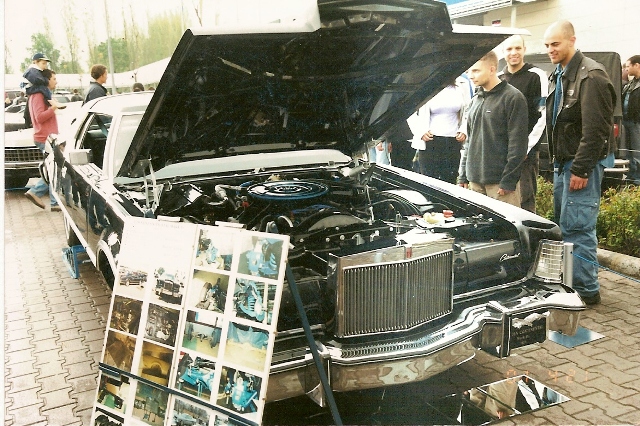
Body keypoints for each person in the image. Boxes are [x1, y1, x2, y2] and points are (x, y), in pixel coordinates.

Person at [543, 20, 616, 305]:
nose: (550, 49)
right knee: (566, 226)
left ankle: (586, 291)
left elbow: (597, 130)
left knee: (578, 227)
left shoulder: (591, 76)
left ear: (572, 40)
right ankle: (571, 284)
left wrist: (581, 169)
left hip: (581, 164)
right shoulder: (559, 74)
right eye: (547, 45)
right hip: (565, 163)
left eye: (555, 44)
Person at [457, 51, 528, 207]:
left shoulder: (513, 98)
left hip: (500, 184)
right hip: (475, 183)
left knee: (506, 224)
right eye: (469, 71)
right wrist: (463, 175)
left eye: (476, 70)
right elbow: (469, 142)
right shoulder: (475, 100)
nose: (470, 75)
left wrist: (509, 180)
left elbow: (518, 145)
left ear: (492, 69)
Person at [499, 35, 548, 213]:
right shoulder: (498, 78)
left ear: (524, 50)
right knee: (502, 203)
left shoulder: (537, 75)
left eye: (518, 48)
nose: (514, 52)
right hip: (500, 154)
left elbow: (543, 115)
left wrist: (525, 148)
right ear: (503, 52)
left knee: (525, 202)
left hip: (526, 155)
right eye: (509, 49)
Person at [408, 77, 469, 184]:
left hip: (453, 141)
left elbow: (468, 111)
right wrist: (420, 132)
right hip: (430, 141)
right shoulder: (426, 84)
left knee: (449, 182)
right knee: (430, 182)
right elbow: (409, 111)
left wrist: (464, 130)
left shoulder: (462, 84)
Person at [24, 69, 61, 212]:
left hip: (48, 137)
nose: (56, 82)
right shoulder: (38, 95)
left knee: (53, 168)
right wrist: (53, 108)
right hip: (45, 138)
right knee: (53, 169)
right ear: (46, 80)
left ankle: (46, 197)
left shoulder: (41, 94)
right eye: (54, 79)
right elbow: (39, 117)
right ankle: (48, 198)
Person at [622, 55, 640, 184]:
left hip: (636, 122)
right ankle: (632, 175)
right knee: (628, 151)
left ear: (636, 65)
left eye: (628, 66)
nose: (626, 69)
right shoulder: (631, 83)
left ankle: (638, 178)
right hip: (627, 121)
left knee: (637, 151)